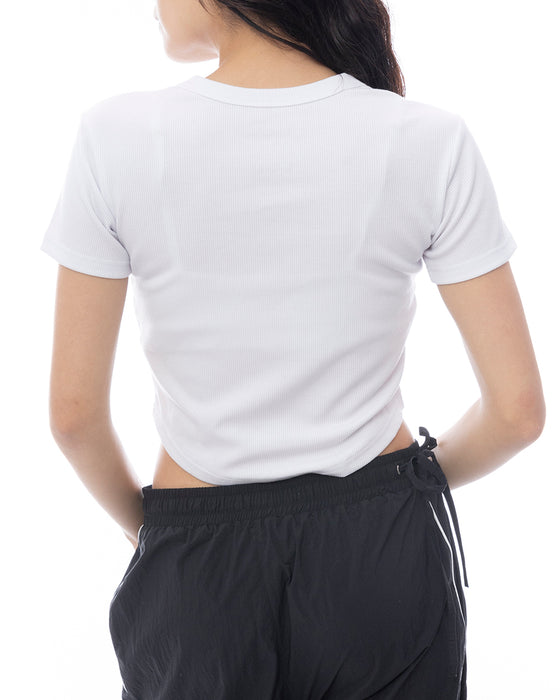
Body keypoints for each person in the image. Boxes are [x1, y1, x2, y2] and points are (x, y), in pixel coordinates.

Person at [40, 0, 546, 698]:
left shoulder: (115, 137)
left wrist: (157, 534)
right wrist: (401, 497)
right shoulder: (427, 138)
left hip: (198, 568)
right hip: (383, 557)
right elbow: (518, 412)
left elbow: (73, 416)